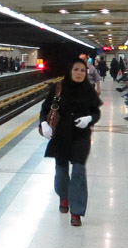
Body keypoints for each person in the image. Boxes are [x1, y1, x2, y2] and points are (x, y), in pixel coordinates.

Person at [38, 60, 102, 226]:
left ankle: (76, 212)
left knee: (79, 171)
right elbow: (45, 109)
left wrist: (89, 118)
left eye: (82, 70)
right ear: (70, 71)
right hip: (61, 135)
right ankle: (64, 197)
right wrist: (44, 123)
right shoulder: (59, 88)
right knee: (61, 170)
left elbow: (96, 112)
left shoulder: (89, 91)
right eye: (76, 69)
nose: (80, 73)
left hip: (81, 136)